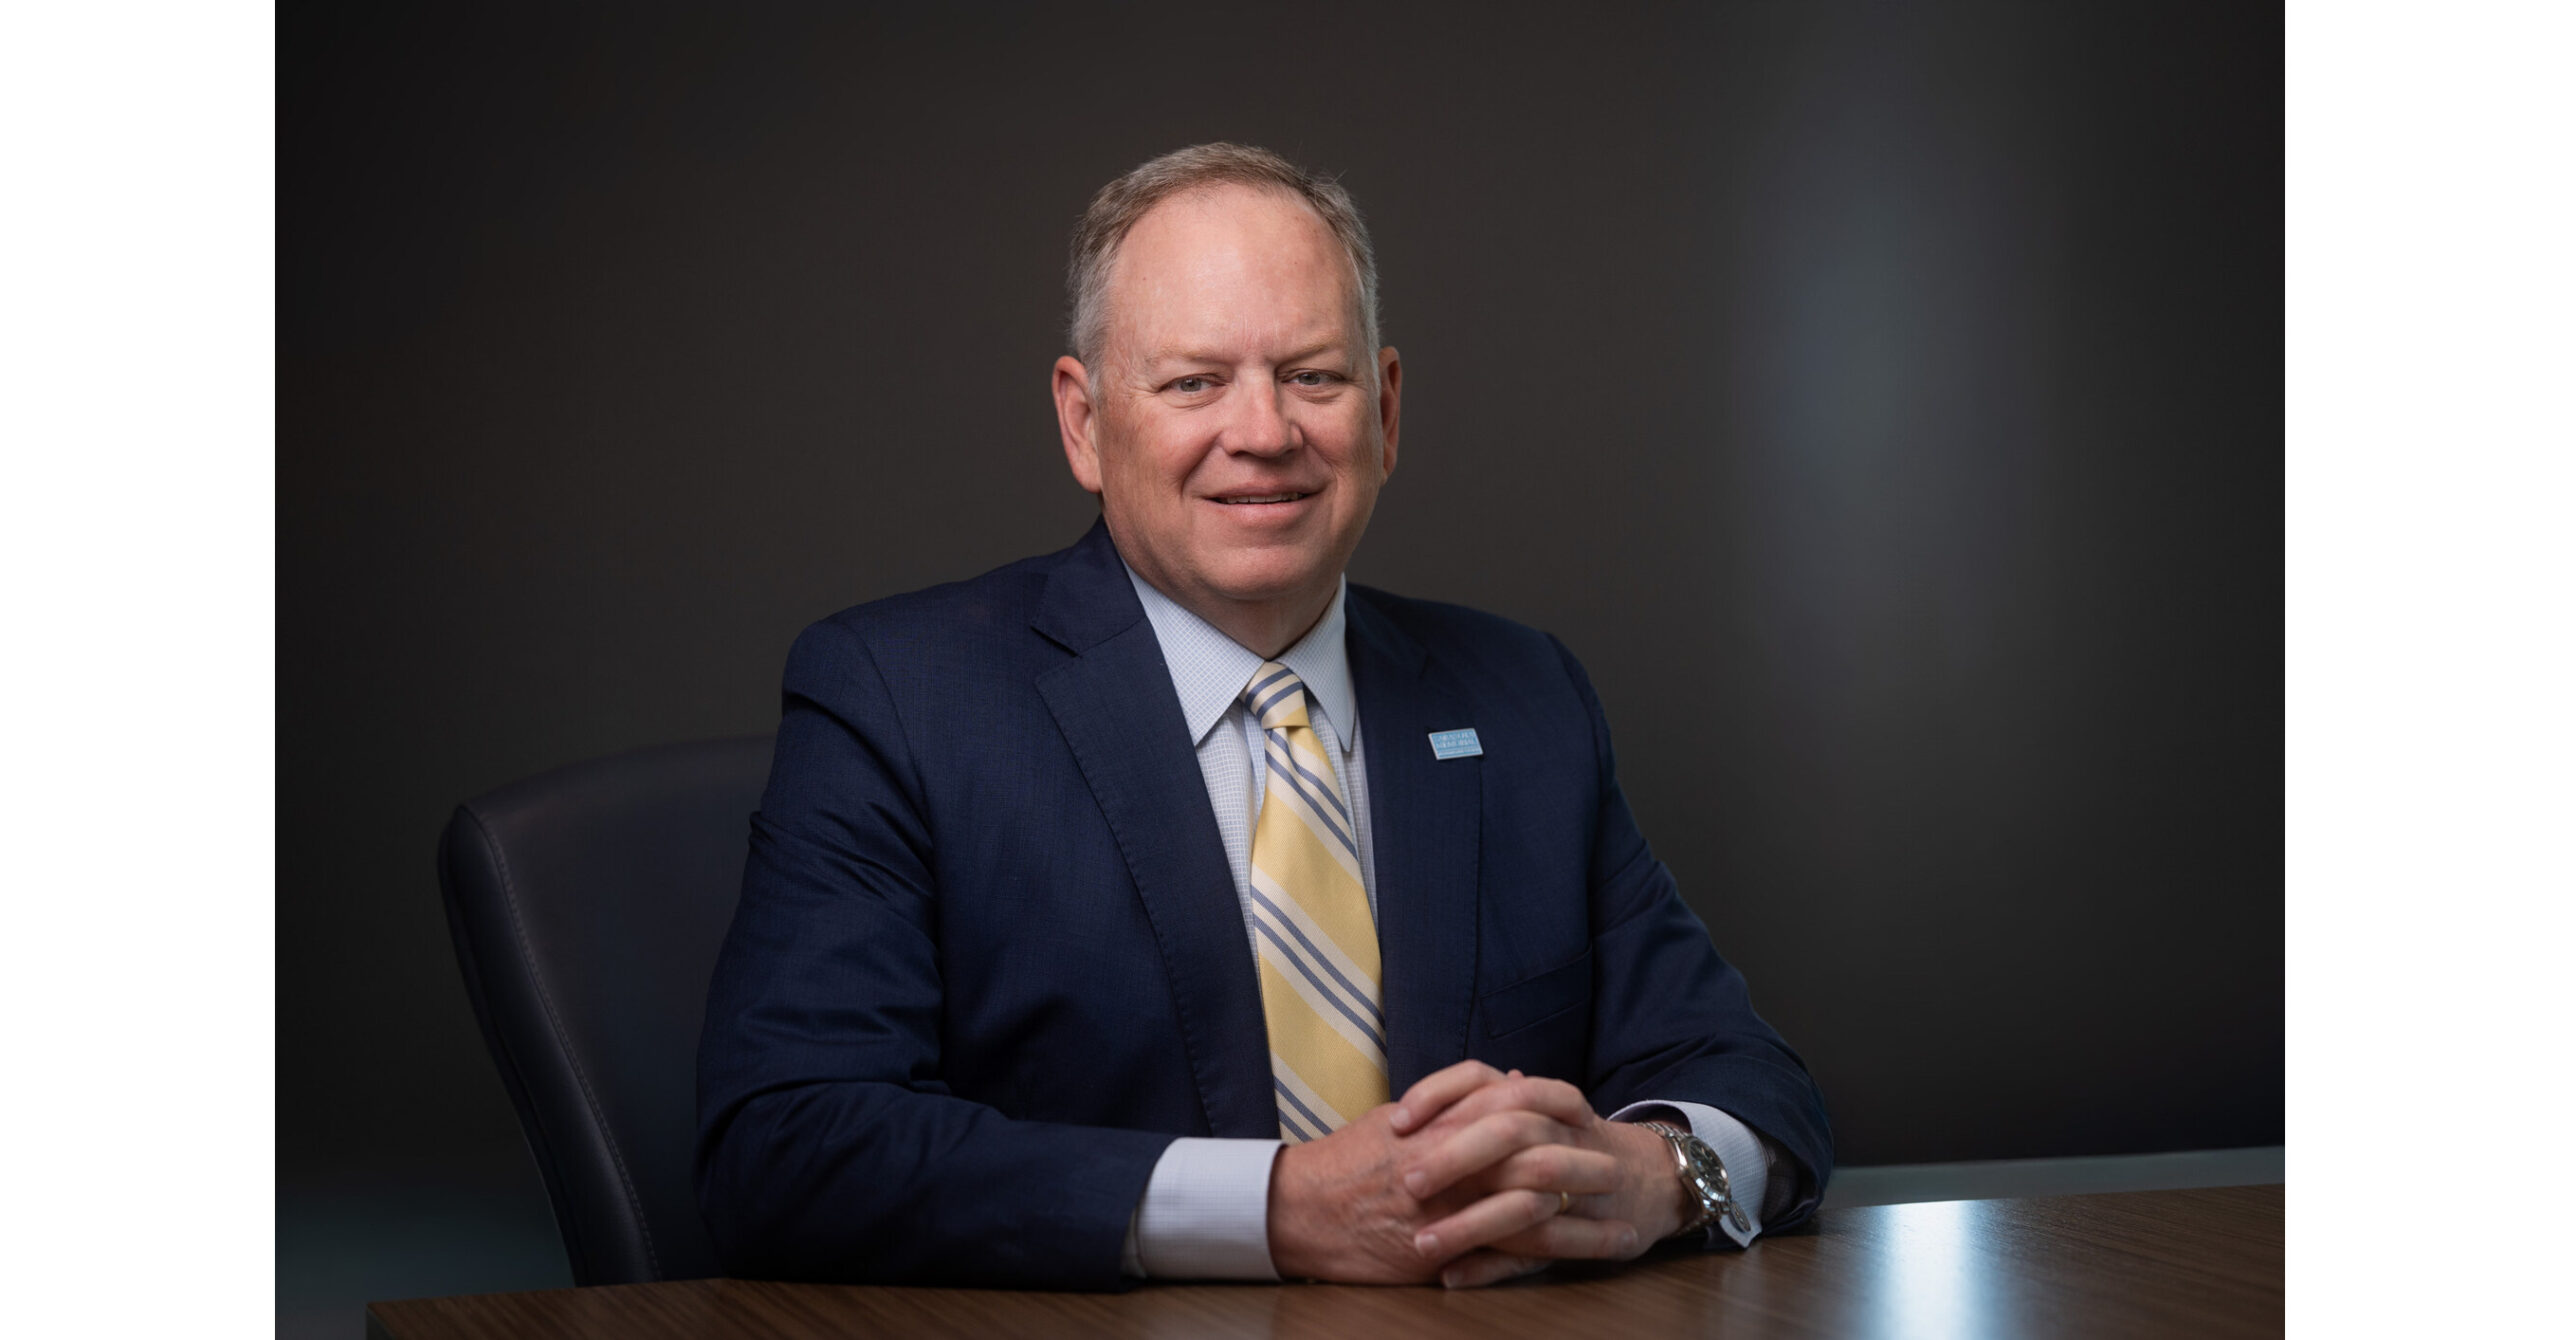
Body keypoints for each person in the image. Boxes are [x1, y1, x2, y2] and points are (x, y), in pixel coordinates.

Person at [695, 143, 1830, 1290]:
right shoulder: (900, 697)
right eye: (1195, 382)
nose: (1265, 431)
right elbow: (784, 1144)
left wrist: (1661, 1173)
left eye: (1313, 376)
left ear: (1386, 408)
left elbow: (1753, 1082)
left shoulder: (1522, 695)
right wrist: (1278, 1208)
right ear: (1084, 422)